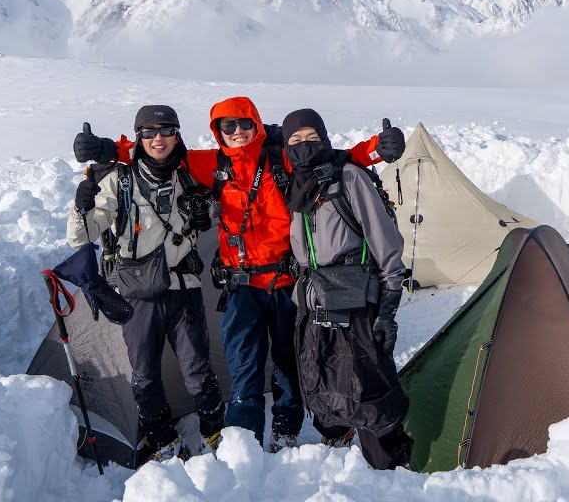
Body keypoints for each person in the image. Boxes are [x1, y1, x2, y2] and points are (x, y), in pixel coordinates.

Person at [73, 97, 406, 451]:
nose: (237, 132)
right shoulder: (211, 164)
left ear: (257, 124)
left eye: (245, 124)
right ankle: (243, 442)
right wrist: (110, 149)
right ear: (218, 131)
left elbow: (328, 157)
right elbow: (159, 155)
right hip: (239, 286)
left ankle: (286, 427)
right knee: (243, 367)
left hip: (284, 282)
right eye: (227, 126)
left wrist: (375, 149)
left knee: (289, 363)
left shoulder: (282, 159)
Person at [68, 105, 224, 460]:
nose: (159, 139)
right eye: (150, 132)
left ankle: (215, 431)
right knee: (144, 372)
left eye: (167, 130)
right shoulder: (119, 181)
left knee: (198, 368)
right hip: (137, 292)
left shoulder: (189, 175)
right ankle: (161, 435)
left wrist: (207, 210)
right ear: (138, 136)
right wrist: (81, 207)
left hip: (184, 288)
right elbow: (81, 236)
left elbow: (224, 198)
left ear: (177, 134)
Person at [282, 108, 413, 470]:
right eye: (295, 141)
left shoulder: (350, 178)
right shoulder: (296, 189)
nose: (304, 147)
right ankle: (339, 453)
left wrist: (387, 309)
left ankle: (389, 466)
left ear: (324, 139)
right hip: (314, 300)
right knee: (322, 373)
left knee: (366, 385)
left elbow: (386, 244)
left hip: (356, 299)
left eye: (311, 138)